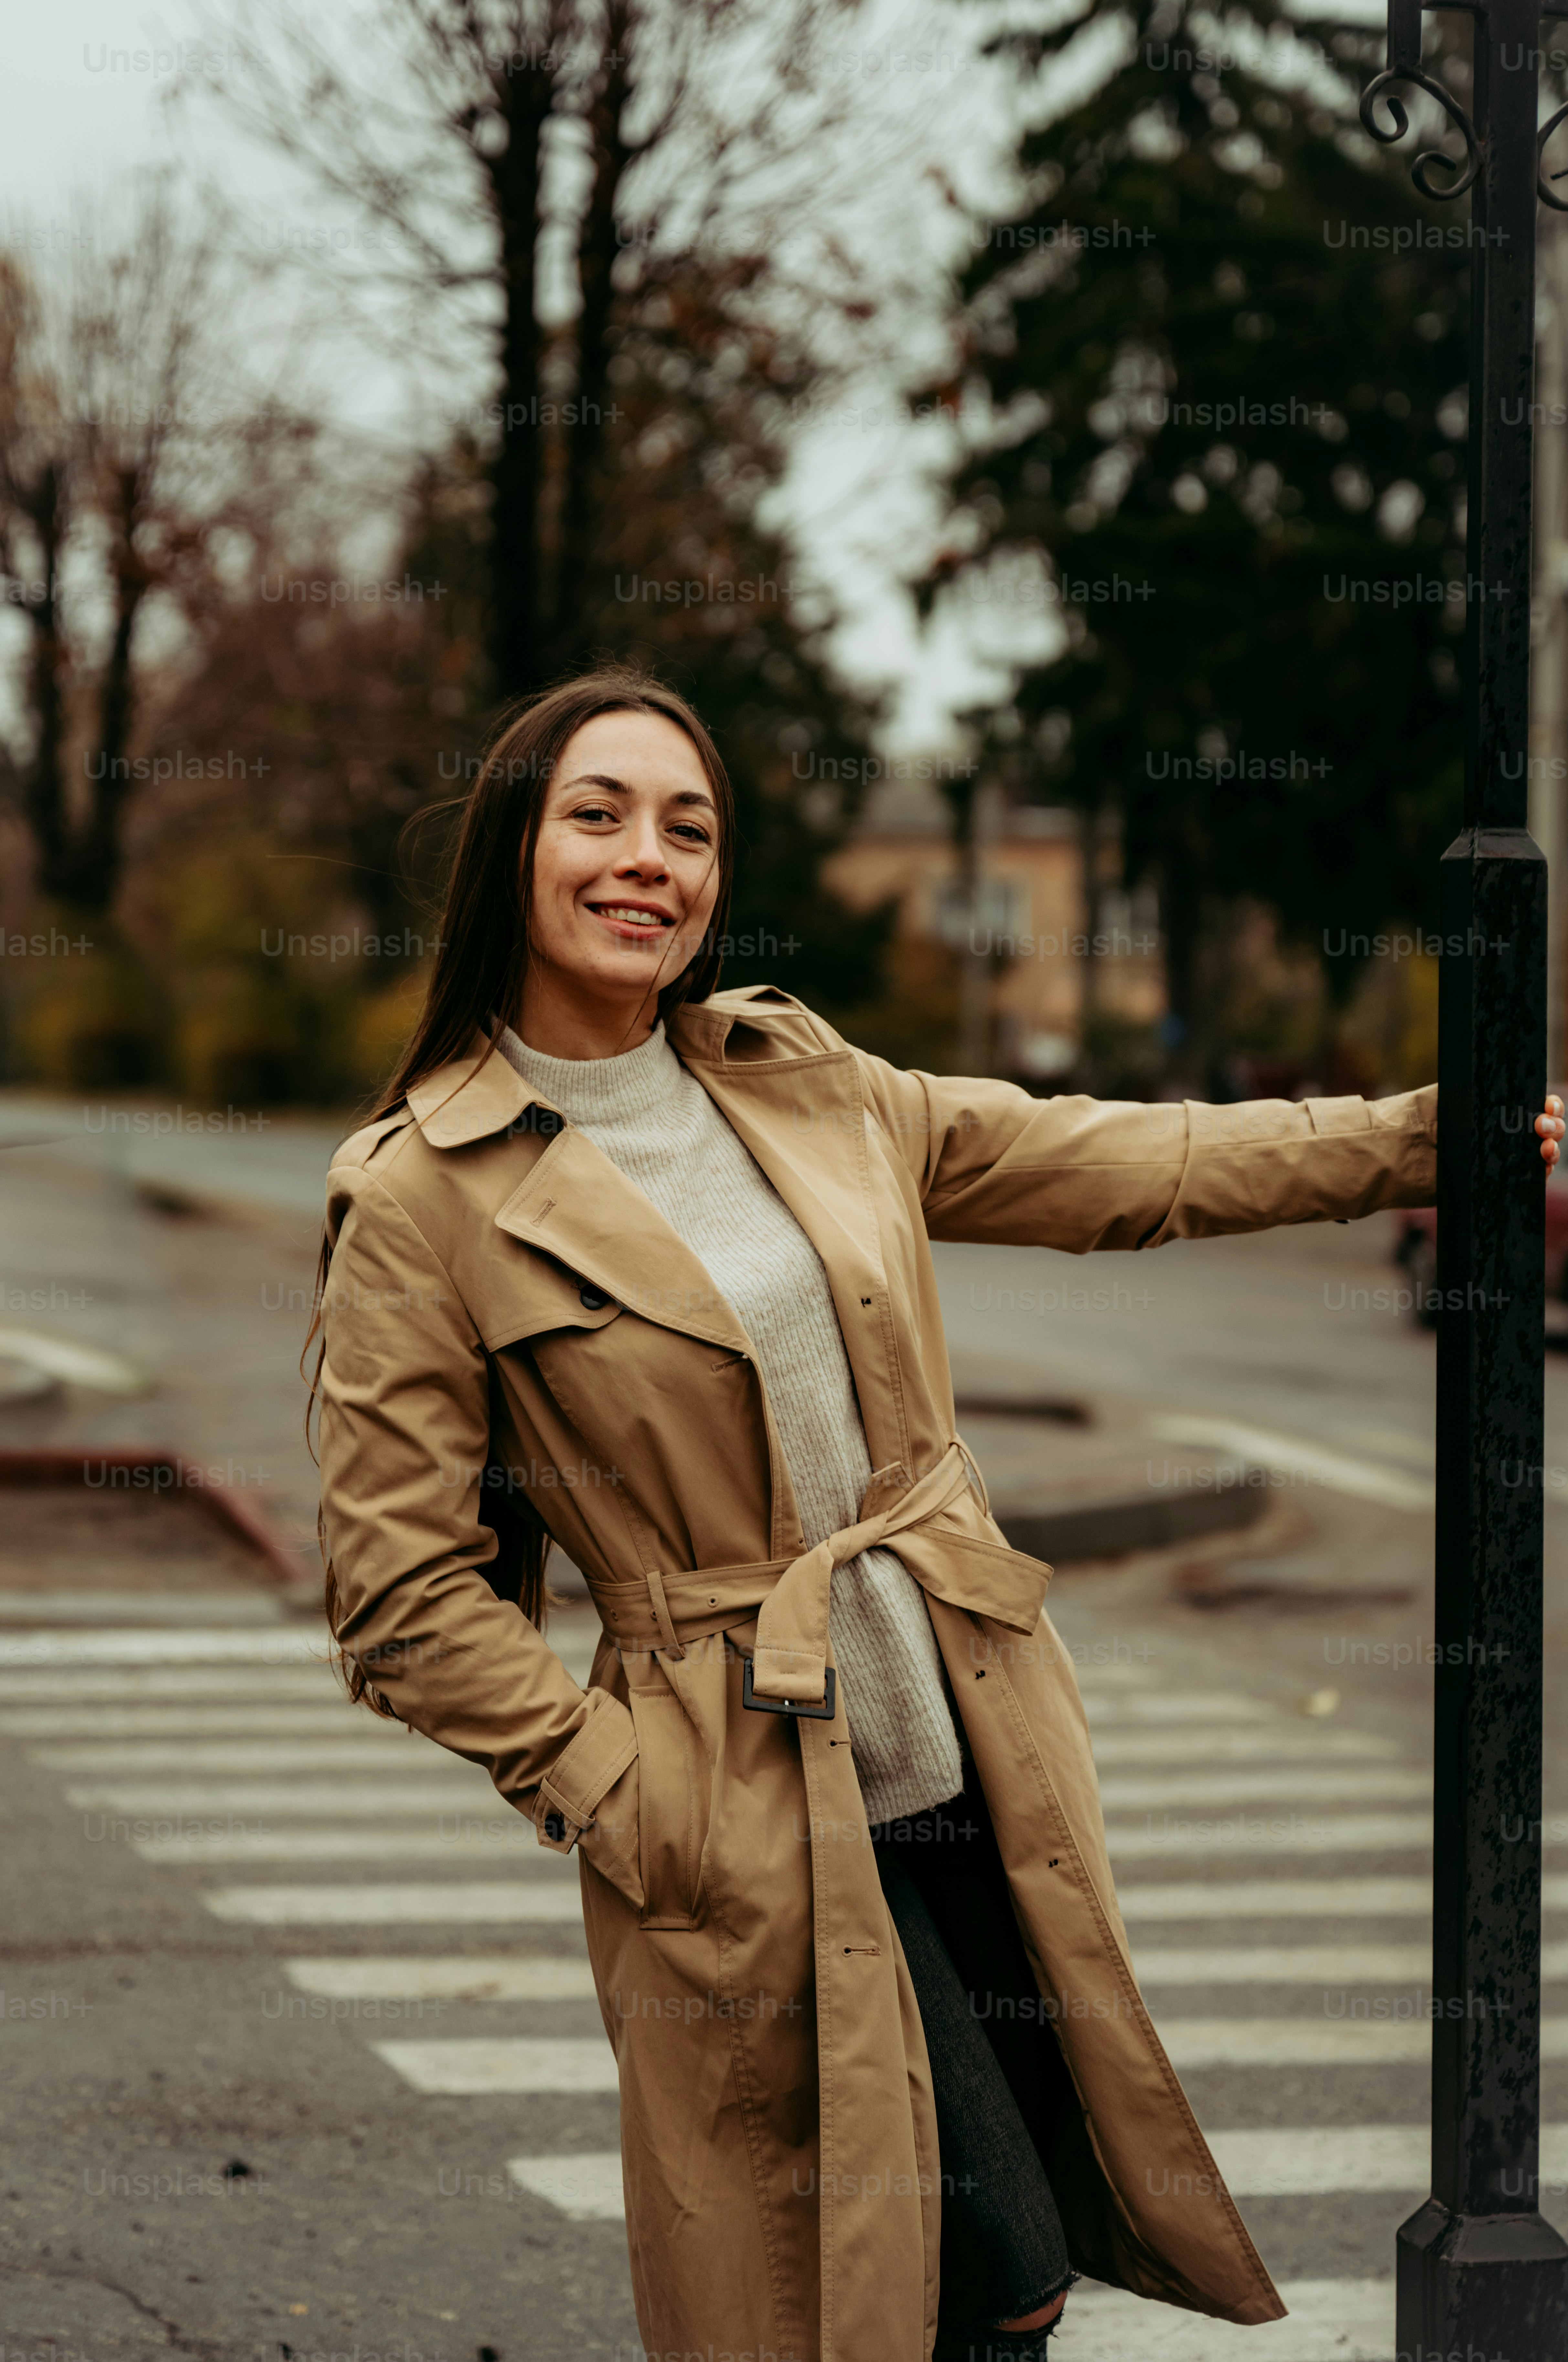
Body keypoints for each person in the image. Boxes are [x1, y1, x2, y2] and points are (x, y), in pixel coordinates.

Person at [312, 667, 1563, 2362]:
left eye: (686, 828)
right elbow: (398, 1595)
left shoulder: (804, 1084)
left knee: (973, 2265)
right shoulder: (422, 1190)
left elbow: (1133, 1166)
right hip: (746, 1807)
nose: (644, 859)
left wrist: (1425, 1139)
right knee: (947, 2275)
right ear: (510, 854)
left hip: (965, 1756)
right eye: (595, 815)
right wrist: (625, 1796)